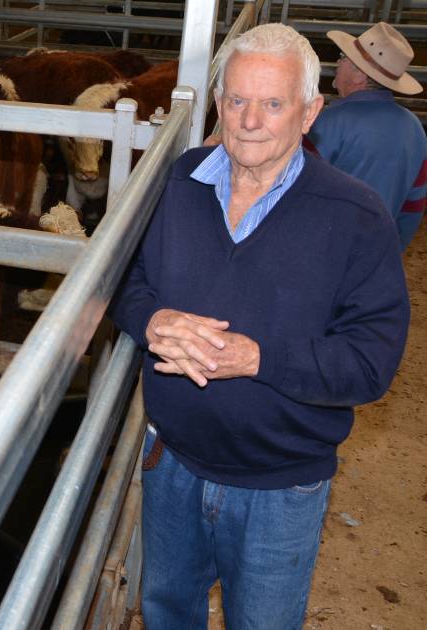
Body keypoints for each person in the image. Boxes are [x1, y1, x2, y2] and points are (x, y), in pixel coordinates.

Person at [112, 23, 410, 629]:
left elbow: (371, 363)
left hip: (281, 485)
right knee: (165, 610)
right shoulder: (176, 183)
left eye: (273, 103)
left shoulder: (355, 216)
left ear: (310, 112)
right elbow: (122, 280)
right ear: (220, 104)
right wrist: (153, 318)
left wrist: (258, 359)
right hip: (171, 462)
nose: (250, 120)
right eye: (237, 100)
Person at [307, 22, 427, 251]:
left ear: (359, 74)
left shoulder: (328, 123)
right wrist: (392, 250)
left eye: (342, 57)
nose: (337, 64)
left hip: (325, 250)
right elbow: (414, 205)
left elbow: (295, 190)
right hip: (378, 251)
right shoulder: (415, 129)